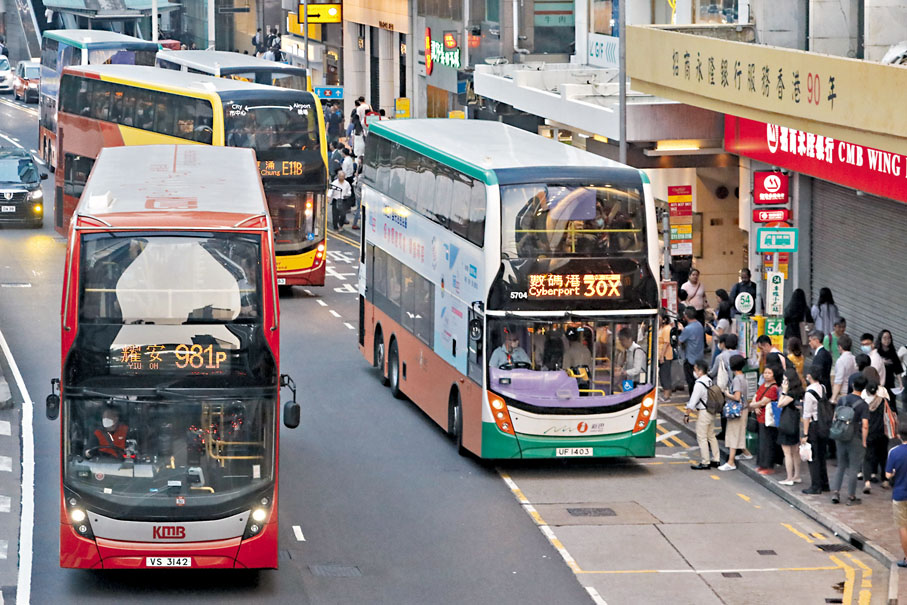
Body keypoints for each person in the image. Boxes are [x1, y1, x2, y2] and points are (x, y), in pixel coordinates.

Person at [830, 375, 871, 505]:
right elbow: (865, 425)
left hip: (840, 435)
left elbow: (835, 417)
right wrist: (864, 441)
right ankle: (851, 496)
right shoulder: (863, 405)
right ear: (864, 388)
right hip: (855, 438)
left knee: (841, 465)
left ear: (852, 385)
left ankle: (835, 493)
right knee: (853, 467)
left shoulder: (842, 400)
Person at [684, 360, 719, 470]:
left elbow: (693, 401)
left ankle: (705, 461)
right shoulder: (709, 380)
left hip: (704, 412)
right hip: (711, 411)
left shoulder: (699, 384)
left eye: (695, 370)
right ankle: (716, 459)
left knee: (702, 437)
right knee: (711, 435)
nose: (694, 372)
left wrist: (687, 414)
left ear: (699, 371)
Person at [719, 354, 752, 471]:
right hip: (744, 409)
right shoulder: (744, 378)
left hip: (737, 410)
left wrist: (727, 394)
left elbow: (737, 397)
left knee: (733, 435)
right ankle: (746, 453)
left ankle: (731, 461)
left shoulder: (737, 380)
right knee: (739, 433)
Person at [802, 366, 830, 494]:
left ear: (810, 376)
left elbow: (806, 415)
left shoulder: (809, 393)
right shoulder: (823, 388)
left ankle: (815, 486)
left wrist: (805, 433)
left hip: (813, 426)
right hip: (823, 424)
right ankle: (824, 483)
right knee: (822, 454)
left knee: (812, 456)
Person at [861, 377, 891, 494]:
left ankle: (867, 482)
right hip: (882, 433)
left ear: (867, 391)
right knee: (883, 456)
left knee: (868, 457)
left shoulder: (863, 403)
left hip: (869, 433)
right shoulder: (884, 401)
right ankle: (885, 480)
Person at [751, 365, 782, 475]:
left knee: (768, 443)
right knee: (762, 442)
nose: (766, 375)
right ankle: (761, 464)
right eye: (765, 373)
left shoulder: (774, 388)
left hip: (767, 419)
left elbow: (764, 401)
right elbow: (756, 395)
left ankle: (768, 466)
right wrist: (755, 406)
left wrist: (753, 405)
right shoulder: (763, 385)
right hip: (760, 417)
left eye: (769, 373)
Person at [884, 426, 907, 568]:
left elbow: (888, 475)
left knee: (903, 527)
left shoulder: (894, 452)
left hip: (900, 494)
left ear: (899, 436)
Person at [777, 367, 805, 486]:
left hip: (787, 423)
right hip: (795, 423)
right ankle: (797, 475)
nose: (783, 383)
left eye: (785, 380)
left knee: (787, 452)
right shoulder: (800, 391)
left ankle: (789, 478)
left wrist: (783, 391)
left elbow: (780, 404)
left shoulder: (791, 393)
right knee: (795, 451)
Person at [677, 307, 704, 395]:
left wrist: (681, 330)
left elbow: (679, 341)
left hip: (690, 358)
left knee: (690, 380)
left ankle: (693, 398)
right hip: (699, 356)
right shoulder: (699, 325)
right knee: (698, 378)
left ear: (686, 316)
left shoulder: (688, 329)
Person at [832, 334, 857, 403]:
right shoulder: (854, 358)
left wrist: (833, 398)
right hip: (854, 392)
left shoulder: (841, 361)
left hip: (844, 393)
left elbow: (838, 381)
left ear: (840, 347)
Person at [809, 330, 833, 397]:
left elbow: (817, 374)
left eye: (810, 340)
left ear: (816, 340)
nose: (809, 343)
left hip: (820, 392)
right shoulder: (827, 353)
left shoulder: (819, 356)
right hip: (827, 388)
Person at [657, 310, 675, 401]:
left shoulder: (667, 329)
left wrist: (661, 356)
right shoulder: (660, 328)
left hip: (665, 356)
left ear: (664, 319)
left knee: (665, 375)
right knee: (662, 374)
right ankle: (665, 393)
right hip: (660, 354)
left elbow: (666, 343)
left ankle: (667, 395)